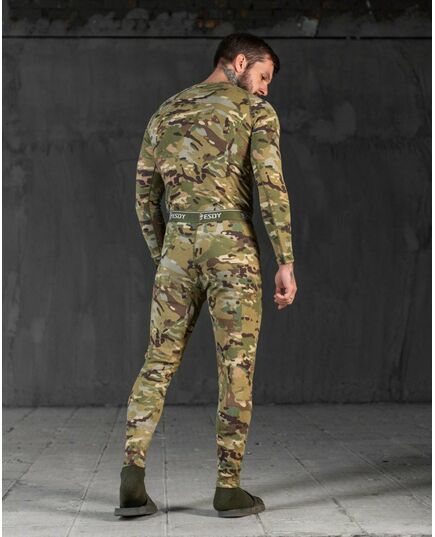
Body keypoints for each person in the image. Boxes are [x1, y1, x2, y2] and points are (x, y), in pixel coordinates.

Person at [114, 32, 298, 519]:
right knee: (235, 367)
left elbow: (143, 196)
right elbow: (271, 186)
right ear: (239, 62)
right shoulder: (255, 112)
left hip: (177, 247)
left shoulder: (165, 112)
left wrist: (164, 255)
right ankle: (228, 488)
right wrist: (285, 259)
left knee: (157, 362)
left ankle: (131, 479)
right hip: (231, 248)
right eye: (263, 76)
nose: (265, 89)